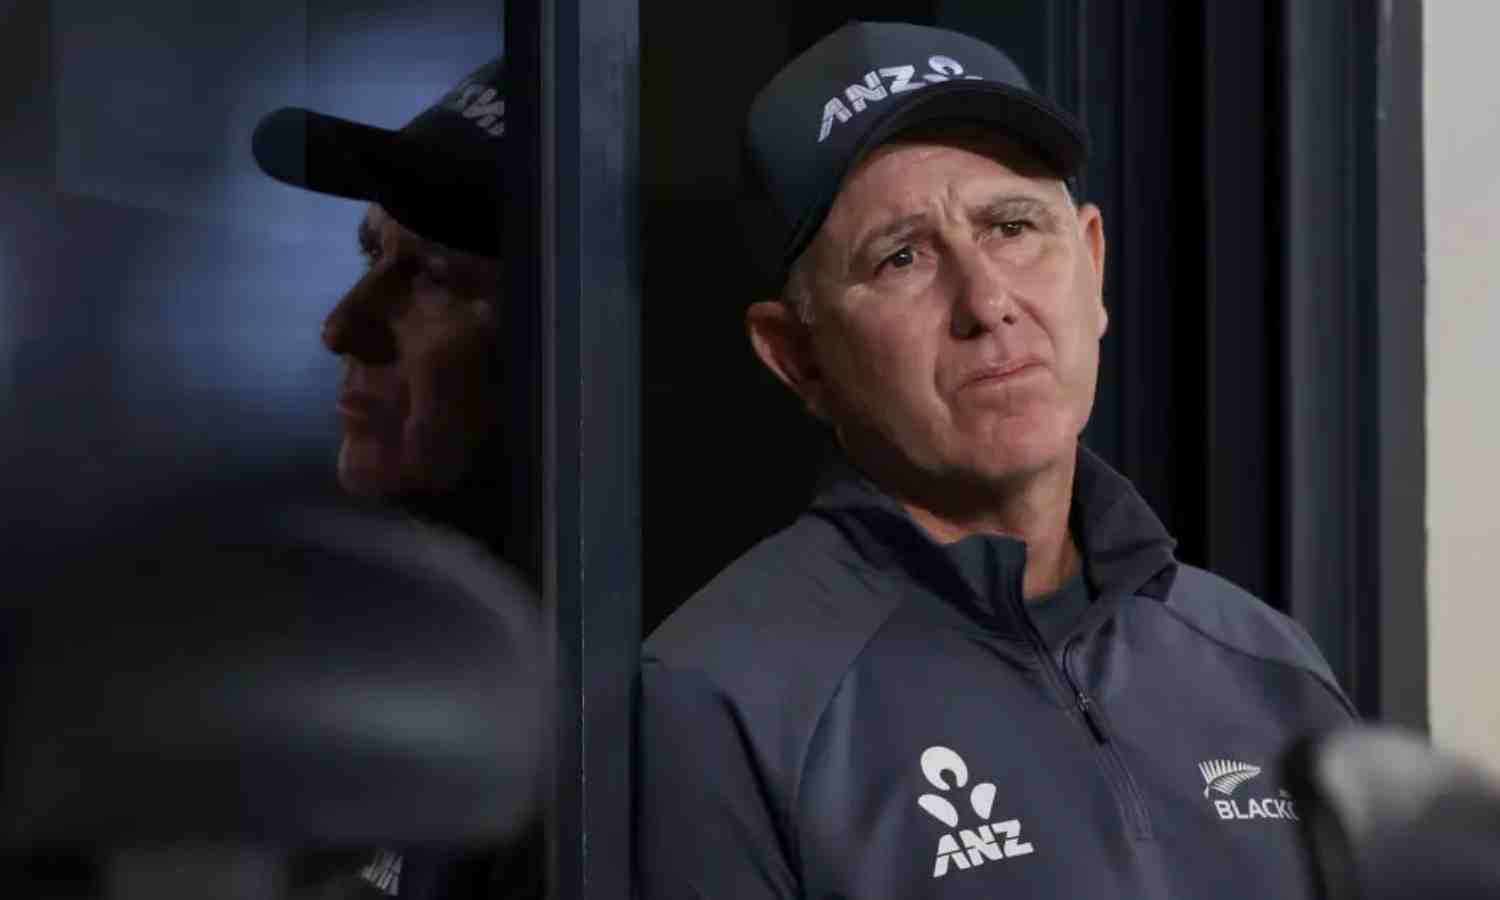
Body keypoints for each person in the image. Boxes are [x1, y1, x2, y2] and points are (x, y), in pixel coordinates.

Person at [636, 21, 1355, 900]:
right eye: (902, 257)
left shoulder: (1263, 661)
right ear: (798, 358)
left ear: (1093, 263)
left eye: (1012, 226)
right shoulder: (722, 700)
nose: (986, 301)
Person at [252, 59, 542, 900]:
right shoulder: (377, 670)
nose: (342, 324)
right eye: (373, 251)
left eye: (437, 276)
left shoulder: (621, 736)